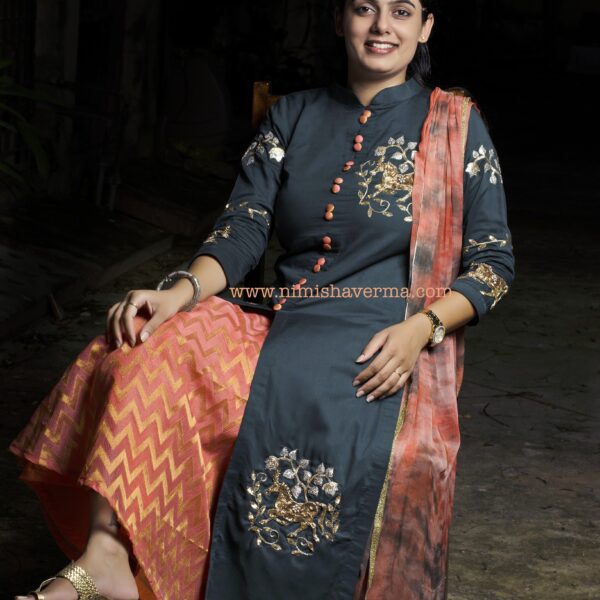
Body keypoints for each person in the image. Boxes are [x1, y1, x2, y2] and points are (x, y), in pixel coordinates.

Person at [10, 0, 515, 598]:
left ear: (425, 26)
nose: (382, 26)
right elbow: (243, 228)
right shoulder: (291, 115)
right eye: (364, 8)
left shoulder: (454, 124)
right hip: (284, 320)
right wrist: (178, 293)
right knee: (140, 349)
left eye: (401, 11)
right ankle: (106, 560)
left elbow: (493, 266)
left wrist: (422, 328)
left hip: (380, 339)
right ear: (339, 20)